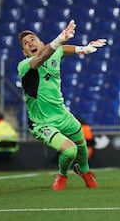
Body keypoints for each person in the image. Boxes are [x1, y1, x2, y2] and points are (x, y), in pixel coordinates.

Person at [17, 20, 106, 190]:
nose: (29, 43)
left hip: (62, 114)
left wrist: (83, 49)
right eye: (25, 44)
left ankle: (84, 170)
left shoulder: (54, 52)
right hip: (42, 122)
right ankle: (62, 175)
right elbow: (41, 58)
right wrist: (59, 39)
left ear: (41, 43)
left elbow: (60, 50)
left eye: (32, 39)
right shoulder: (24, 66)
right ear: (24, 52)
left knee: (82, 145)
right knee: (70, 151)